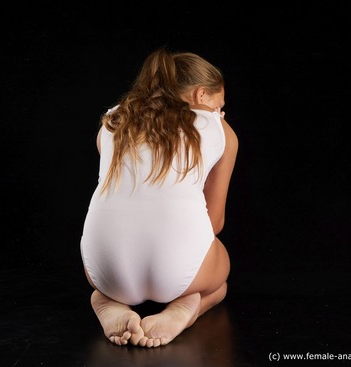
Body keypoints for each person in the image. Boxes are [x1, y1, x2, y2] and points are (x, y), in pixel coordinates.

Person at [80, 47, 238, 348]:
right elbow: (214, 223)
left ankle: (107, 303)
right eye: (220, 105)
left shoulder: (112, 121)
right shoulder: (220, 128)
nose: (221, 113)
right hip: (181, 273)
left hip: (104, 269)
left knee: (104, 283)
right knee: (220, 282)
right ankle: (186, 309)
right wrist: (216, 123)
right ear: (201, 96)